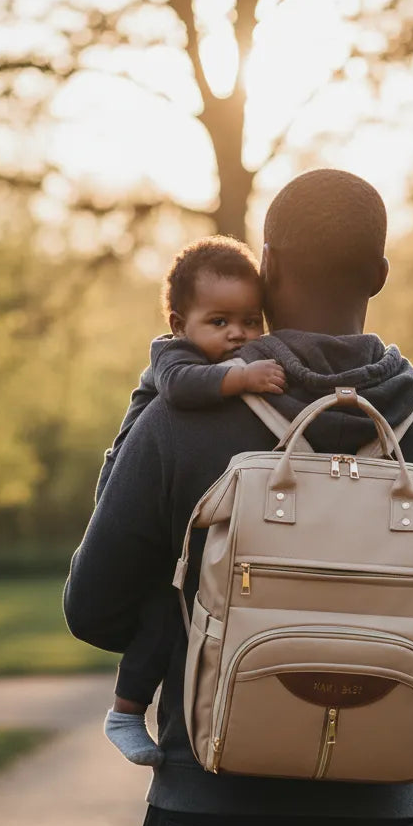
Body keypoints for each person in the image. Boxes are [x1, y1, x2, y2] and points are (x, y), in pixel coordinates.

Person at [64, 169, 413, 826]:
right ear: (381, 274)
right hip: (378, 824)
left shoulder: (182, 418)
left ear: (268, 264)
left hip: (209, 819)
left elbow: (92, 609)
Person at [97, 236, 286, 766]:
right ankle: (125, 711)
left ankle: (132, 708)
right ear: (180, 323)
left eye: (252, 321)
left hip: (176, 500)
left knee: (171, 604)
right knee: (162, 598)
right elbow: (181, 388)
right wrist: (242, 377)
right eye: (219, 322)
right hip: (132, 489)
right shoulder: (171, 355)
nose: (238, 335)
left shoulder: (222, 350)